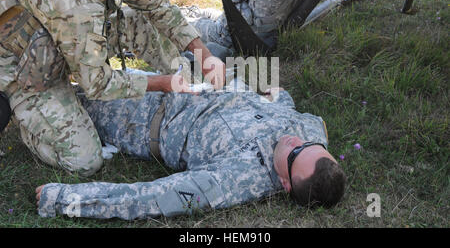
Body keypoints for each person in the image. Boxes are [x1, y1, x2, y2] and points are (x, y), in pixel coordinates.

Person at [0, 0, 225, 177]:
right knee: (84, 161)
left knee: (137, 21)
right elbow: (96, 83)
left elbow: (156, 6)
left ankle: (191, 86)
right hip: (21, 69)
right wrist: (161, 84)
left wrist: (204, 54)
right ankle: (28, 119)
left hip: (55, 42)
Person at [36, 84, 346, 220]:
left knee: (50, 91)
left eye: (295, 154)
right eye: (308, 144)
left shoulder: (238, 179)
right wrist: (276, 94)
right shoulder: (310, 136)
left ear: (286, 184)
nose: (294, 141)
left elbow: (152, 198)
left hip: (139, 116)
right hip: (177, 82)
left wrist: (62, 198)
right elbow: (289, 109)